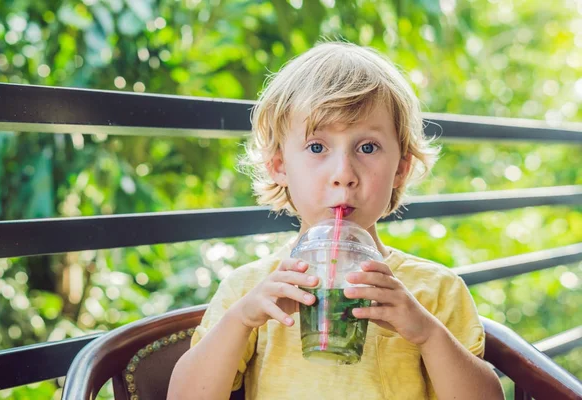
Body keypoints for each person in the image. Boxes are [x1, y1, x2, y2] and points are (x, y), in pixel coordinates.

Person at [167, 41, 504, 400]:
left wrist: (427, 332)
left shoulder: (435, 290)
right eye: (317, 147)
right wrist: (241, 320)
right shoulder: (253, 289)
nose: (344, 174)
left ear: (400, 169)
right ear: (279, 166)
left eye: (368, 147)